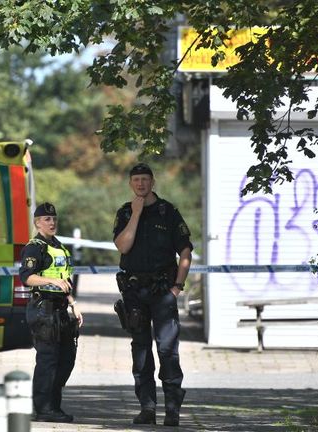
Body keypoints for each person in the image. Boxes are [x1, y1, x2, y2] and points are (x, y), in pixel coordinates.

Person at [113, 163, 193, 426]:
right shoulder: (125, 212)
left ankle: (172, 410)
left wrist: (177, 287)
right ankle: (147, 407)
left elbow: (185, 252)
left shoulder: (168, 212)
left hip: (163, 292)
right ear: (130, 183)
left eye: (145, 179)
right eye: (136, 180)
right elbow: (123, 245)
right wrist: (135, 214)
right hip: (135, 293)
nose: (140, 184)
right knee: (141, 351)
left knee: (168, 350)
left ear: (152, 182)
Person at [20, 202, 84, 423]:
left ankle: (53, 406)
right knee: (48, 360)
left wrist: (73, 303)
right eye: (47, 219)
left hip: (60, 309)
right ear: (37, 223)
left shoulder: (58, 246)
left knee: (66, 359)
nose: (52, 222)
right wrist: (51, 281)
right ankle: (44, 407)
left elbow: (64, 280)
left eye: (54, 218)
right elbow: (27, 277)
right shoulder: (34, 247)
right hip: (42, 309)